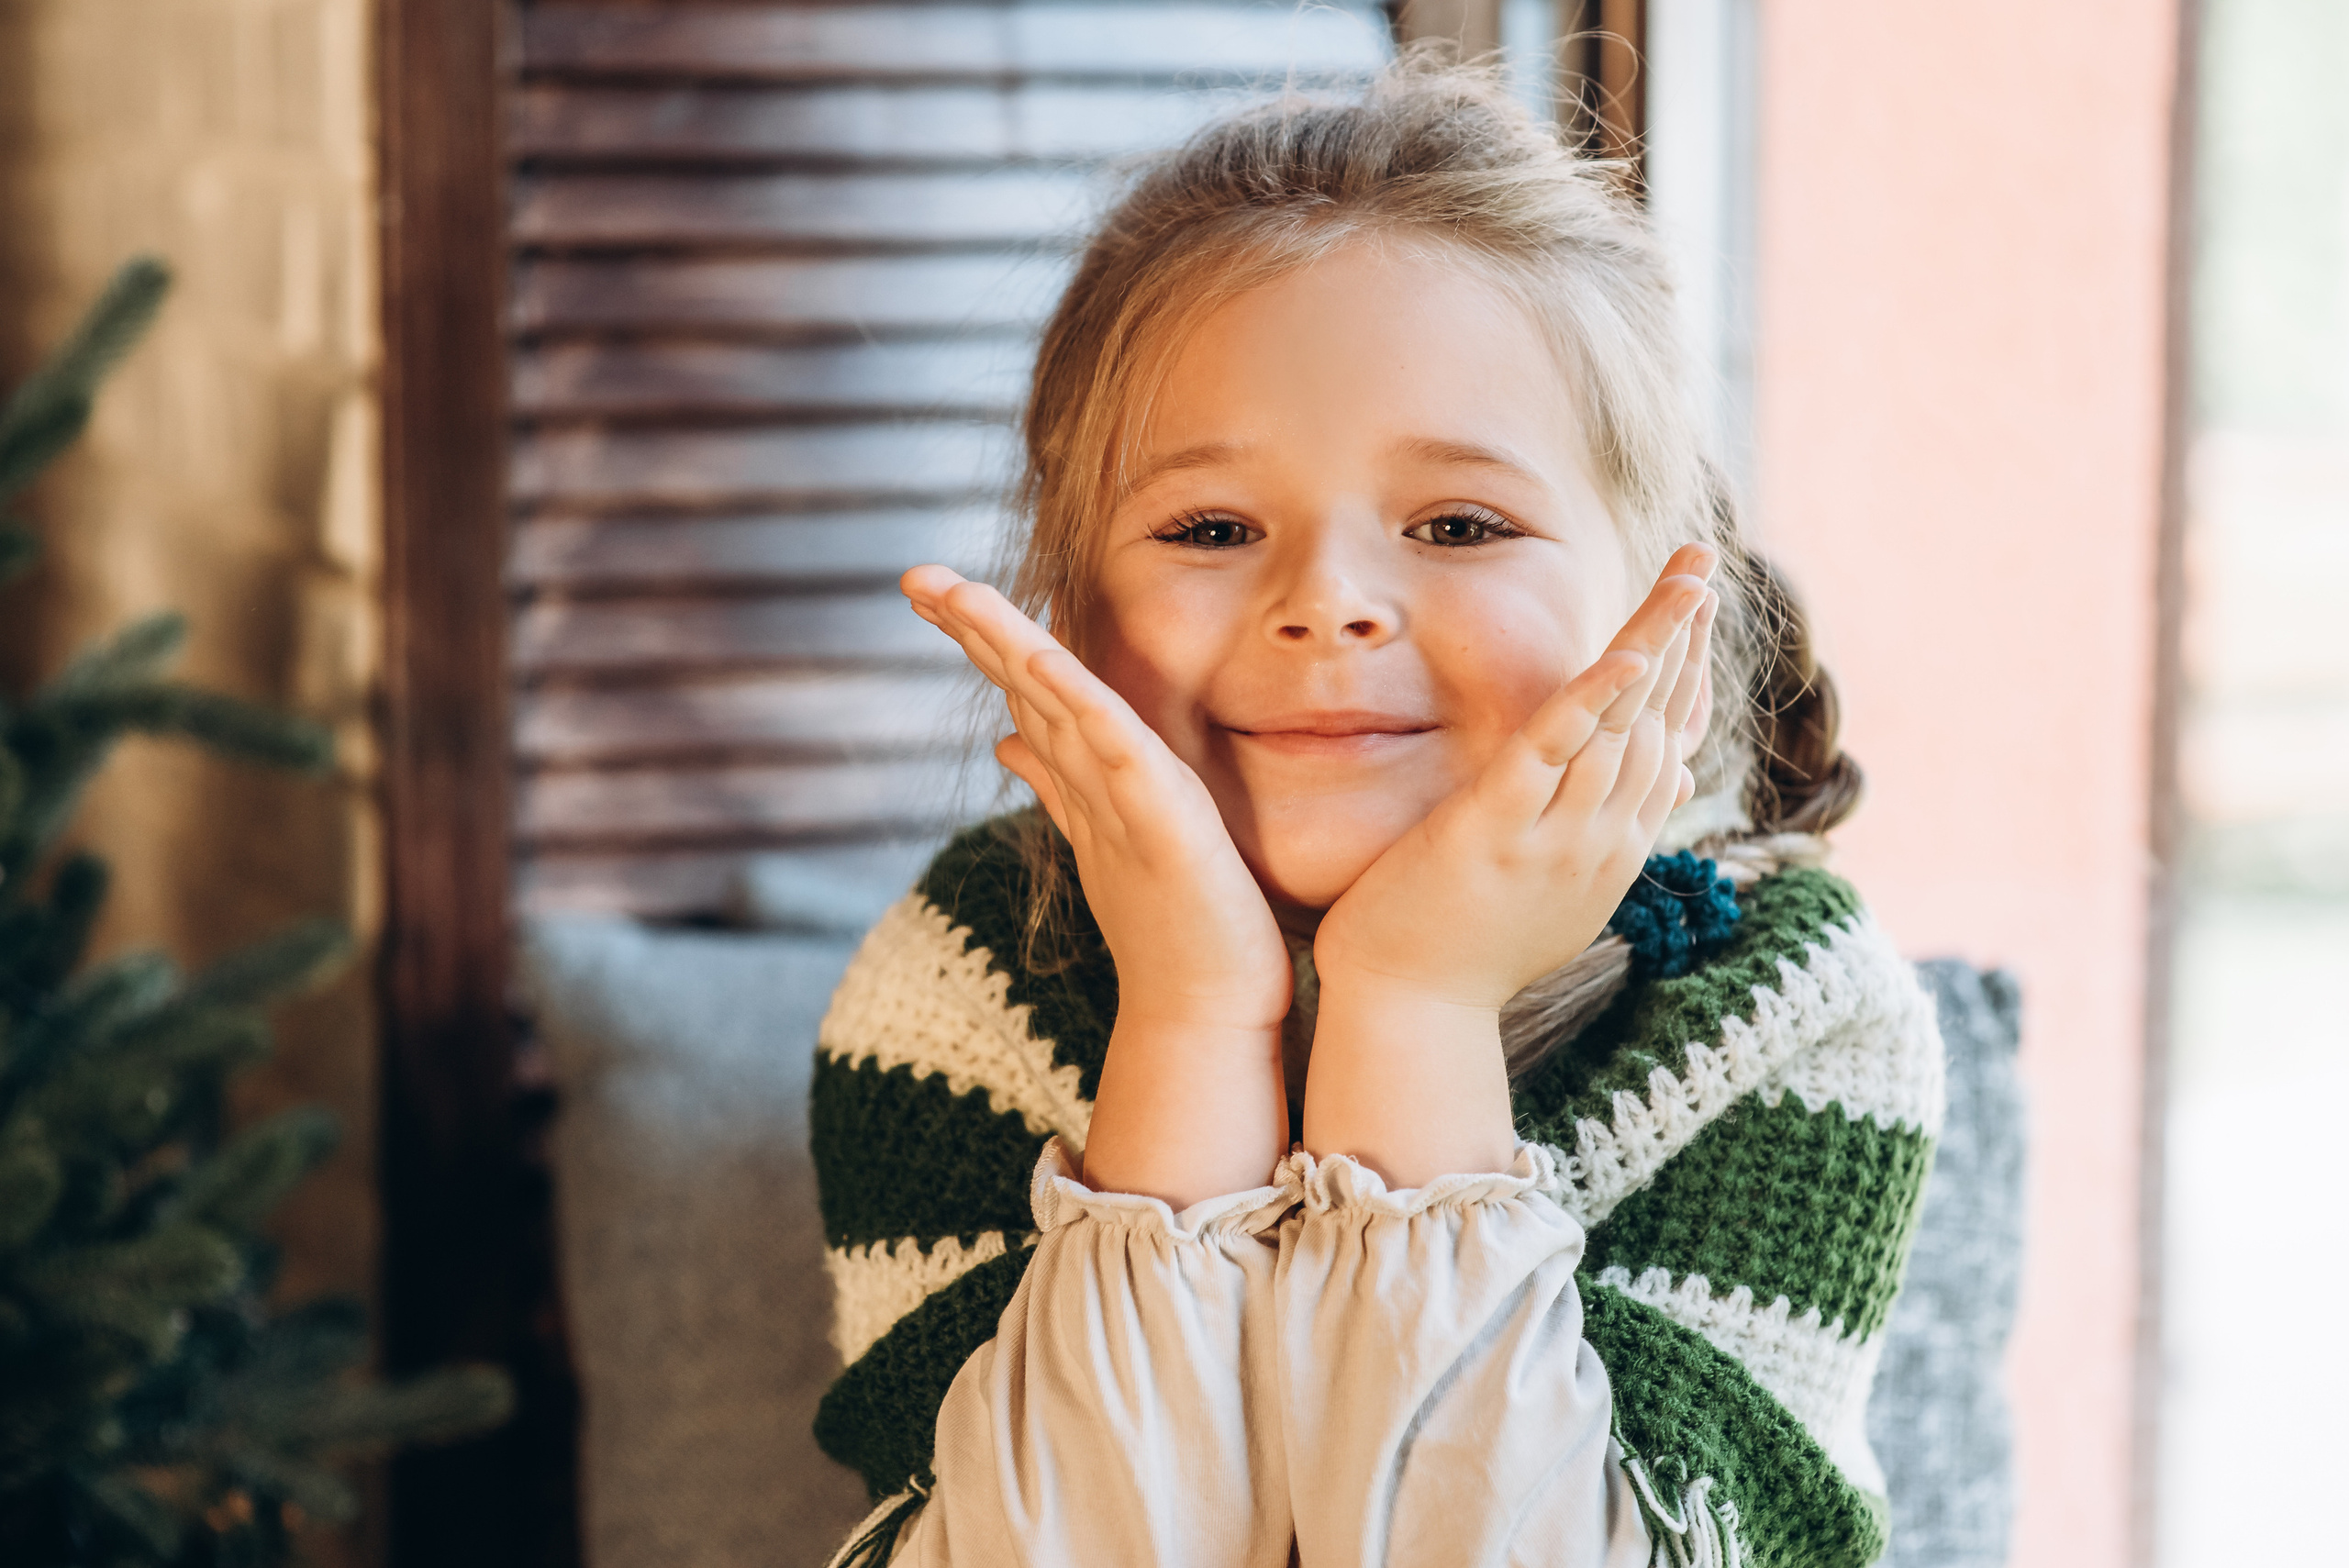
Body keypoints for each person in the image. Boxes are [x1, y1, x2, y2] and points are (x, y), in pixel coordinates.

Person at [808, 53, 1943, 1568]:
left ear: (1663, 599)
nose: (1330, 601)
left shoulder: (1783, 1001)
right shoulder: (963, 980)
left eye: (1459, 524)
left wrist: (1413, 1005)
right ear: (1069, 614)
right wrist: (1194, 1021)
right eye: (1212, 527)